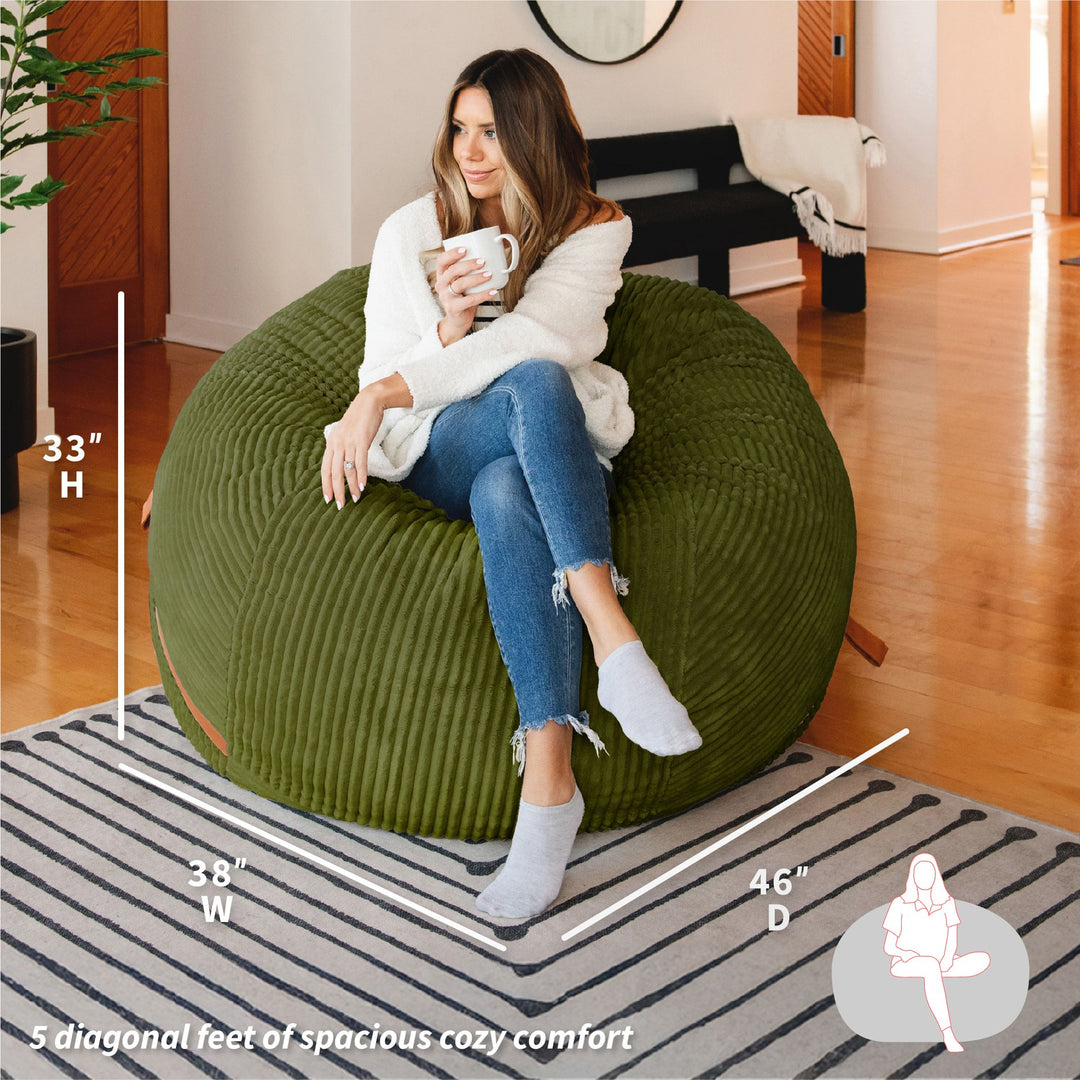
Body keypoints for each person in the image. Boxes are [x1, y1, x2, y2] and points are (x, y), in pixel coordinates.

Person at [322, 48, 701, 920]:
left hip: (540, 453)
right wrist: (445, 332)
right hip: (437, 445)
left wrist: (385, 390)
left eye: (492, 131)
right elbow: (387, 370)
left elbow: (547, 341)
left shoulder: (594, 228)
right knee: (518, 401)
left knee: (511, 470)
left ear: (533, 135)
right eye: (460, 128)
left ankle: (549, 792)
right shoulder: (409, 232)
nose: (471, 151)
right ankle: (616, 639)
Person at [882, 852, 990, 1052]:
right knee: (929, 966)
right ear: (913, 876)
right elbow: (889, 946)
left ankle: (935, 977)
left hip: (941, 961)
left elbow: (952, 936)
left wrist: (948, 958)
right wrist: (907, 954)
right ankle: (947, 1032)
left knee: (982, 959)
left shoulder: (947, 904)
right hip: (907, 961)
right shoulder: (900, 904)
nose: (925, 878)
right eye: (920, 873)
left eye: (929, 873)